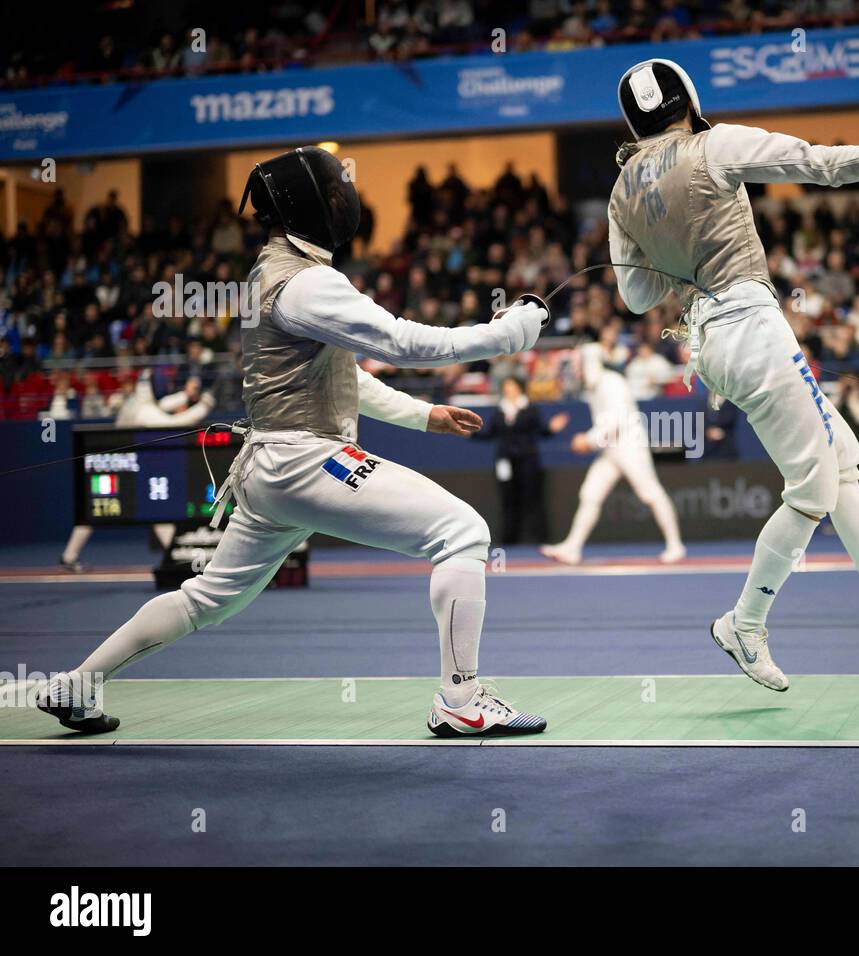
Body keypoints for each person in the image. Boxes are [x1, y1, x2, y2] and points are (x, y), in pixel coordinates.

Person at [37, 147, 550, 739]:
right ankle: (461, 699)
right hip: (305, 461)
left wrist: (424, 415)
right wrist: (507, 332)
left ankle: (78, 683)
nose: (344, 202)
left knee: (207, 598)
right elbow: (401, 341)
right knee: (462, 533)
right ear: (310, 206)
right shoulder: (305, 282)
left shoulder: (273, 272)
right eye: (333, 193)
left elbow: (345, 376)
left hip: (271, 471)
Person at [608, 59, 859, 689]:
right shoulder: (713, 145)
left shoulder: (621, 192)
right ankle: (744, 624)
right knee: (812, 488)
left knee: (841, 455)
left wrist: (671, 253)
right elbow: (821, 164)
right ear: (688, 99)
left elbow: (637, 297)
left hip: (712, 344)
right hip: (750, 327)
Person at [541, 323, 686, 565]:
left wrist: (587, 440)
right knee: (590, 493)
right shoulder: (595, 389)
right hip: (612, 450)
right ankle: (572, 548)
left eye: (580, 364)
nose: (577, 370)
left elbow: (615, 422)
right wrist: (592, 441)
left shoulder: (612, 383)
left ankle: (675, 545)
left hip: (630, 445)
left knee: (650, 492)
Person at [59, 371, 216, 573]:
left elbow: (162, 405)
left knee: (147, 510)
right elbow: (172, 424)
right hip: (127, 466)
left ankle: (69, 556)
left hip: (120, 462)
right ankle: (177, 557)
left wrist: (186, 395)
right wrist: (205, 405)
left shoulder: (139, 402)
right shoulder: (144, 411)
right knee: (141, 510)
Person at [474, 376, 569, 545]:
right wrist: (471, 433)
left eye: (511, 386)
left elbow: (542, 431)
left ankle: (540, 539)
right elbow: (491, 433)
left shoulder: (530, 409)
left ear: (519, 388)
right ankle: (509, 539)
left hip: (528, 459)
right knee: (508, 499)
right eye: (506, 386)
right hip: (505, 460)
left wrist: (552, 429)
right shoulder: (499, 410)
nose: (508, 389)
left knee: (533, 498)